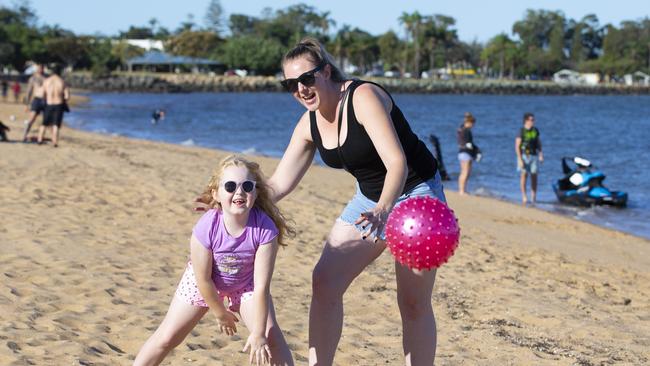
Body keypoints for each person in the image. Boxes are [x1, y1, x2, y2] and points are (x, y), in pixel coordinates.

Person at [222, 37, 446, 365]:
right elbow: (278, 184)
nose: (301, 89)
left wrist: (384, 209)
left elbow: (396, 162)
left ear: (326, 72)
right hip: (369, 200)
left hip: (417, 194)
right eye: (291, 84)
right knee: (324, 281)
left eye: (307, 79)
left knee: (412, 302)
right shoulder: (309, 123)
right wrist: (229, 201)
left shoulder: (363, 97)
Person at [135, 155, 295, 366]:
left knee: (270, 338)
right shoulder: (206, 227)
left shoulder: (265, 229)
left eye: (247, 186)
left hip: (246, 285)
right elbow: (203, 280)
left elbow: (261, 288)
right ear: (216, 194)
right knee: (167, 338)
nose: (239, 192)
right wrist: (220, 313)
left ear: (255, 193)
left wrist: (258, 333)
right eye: (230, 186)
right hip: (204, 282)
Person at [37, 64, 70, 147]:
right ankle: (54, 142)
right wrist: (63, 99)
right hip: (58, 104)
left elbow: (42, 94)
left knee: (44, 123)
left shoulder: (46, 81)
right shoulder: (62, 82)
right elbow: (67, 96)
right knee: (56, 124)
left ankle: (40, 139)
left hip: (48, 104)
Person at [515, 112, 544, 205]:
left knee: (534, 176)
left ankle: (533, 197)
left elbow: (539, 143)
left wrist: (540, 154)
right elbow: (517, 146)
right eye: (531, 120)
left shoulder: (535, 130)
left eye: (533, 120)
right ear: (526, 120)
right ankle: (524, 196)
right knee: (524, 175)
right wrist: (519, 159)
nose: (532, 121)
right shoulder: (521, 131)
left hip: (534, 155)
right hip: (524, 155)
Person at [456, 112, 481, 195]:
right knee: (465, 172)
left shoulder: (461, 129)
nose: (473, 125)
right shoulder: (465, 130)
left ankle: (462, 189)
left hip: (462, 153)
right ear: (469, 122)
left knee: (464, 172)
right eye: (472, 123)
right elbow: (467, 143)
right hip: (465, 153)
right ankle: (462, 190)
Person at [23, 64, 46, 142]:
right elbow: (28, 91)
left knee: (45, 120)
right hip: (36, 100)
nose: (41, 70)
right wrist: (27, 104)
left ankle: (40, 137)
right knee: (31, 119)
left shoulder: (46, 78)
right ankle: (24, 135)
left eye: (42, 68)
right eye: (39, 68)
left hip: (45, 101)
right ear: (37, 69)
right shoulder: (33, 78)